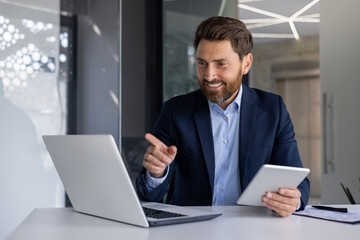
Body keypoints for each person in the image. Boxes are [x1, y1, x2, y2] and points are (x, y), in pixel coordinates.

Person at [136, 16, 310, 217]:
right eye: (202, 63)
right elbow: (149, 195)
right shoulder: (175, 111)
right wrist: (156, 173)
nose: (209, 76)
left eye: (221, 64)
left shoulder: (273, 110)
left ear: (246, 64)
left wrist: (293, 200)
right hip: (190, 229)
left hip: (253, 227)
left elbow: (298, 182)